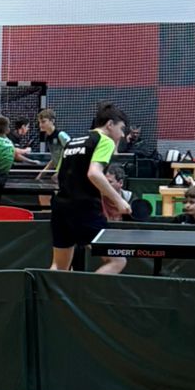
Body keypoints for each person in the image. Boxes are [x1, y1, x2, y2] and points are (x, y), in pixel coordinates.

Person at [50, 105, 132, 273]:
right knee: (117, 260)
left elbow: (56, 176)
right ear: (110, 124)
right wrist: (118, 200)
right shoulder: (105, 141)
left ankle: (48, 291)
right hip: (84, 208)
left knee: (59, 267)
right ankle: (86, 290)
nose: (123, 135)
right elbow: (94, 174)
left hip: (60, 208)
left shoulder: (72, 142)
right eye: (121, 128)